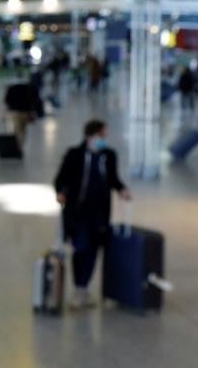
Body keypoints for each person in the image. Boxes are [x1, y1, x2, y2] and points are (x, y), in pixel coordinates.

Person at [54, 120, 132, 309]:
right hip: (77, 212)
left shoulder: (109, 156)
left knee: (93, 250)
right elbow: (61, 178)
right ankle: (79, 288)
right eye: (102, 136)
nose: (104, 140)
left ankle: (82, 288)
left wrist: (121, 189)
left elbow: (113, 178)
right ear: (91, 135)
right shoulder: (75, 155)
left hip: (100, 212)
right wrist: (61, 192)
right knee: (81, 248)